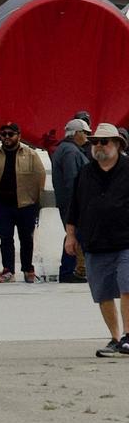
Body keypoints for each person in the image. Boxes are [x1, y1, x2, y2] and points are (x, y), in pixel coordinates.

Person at [61, 122, 129, 357]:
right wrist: (70, 236)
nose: (98, 146)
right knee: (103, 293)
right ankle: (115, 338)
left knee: (128, 286)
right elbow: (75, 207)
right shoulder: (86, 173)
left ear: (118, 145)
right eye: (94, 142)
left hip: (125, 241)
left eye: (104, 141)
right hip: (95, 243)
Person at [0, 123, 41, 282]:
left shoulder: (31, 155)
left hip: (26, 204)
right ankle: (8, 270)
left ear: (18, 136)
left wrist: (35, 201)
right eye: (3, 134)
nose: (6, 137)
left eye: (10, 134)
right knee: (5, 237)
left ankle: (28, 268)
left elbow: (39, 178)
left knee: (26, 237)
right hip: (2, 204)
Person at [52, 118, 90, 283]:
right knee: (74, 235)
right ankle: (67, 270)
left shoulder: (66, 149)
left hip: (69, 202)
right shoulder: (71, 152)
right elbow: (72, 181)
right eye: (85, 133)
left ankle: (71, 269)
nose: (87, 137)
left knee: (74, 235)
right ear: (77, 134)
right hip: (74, 203)